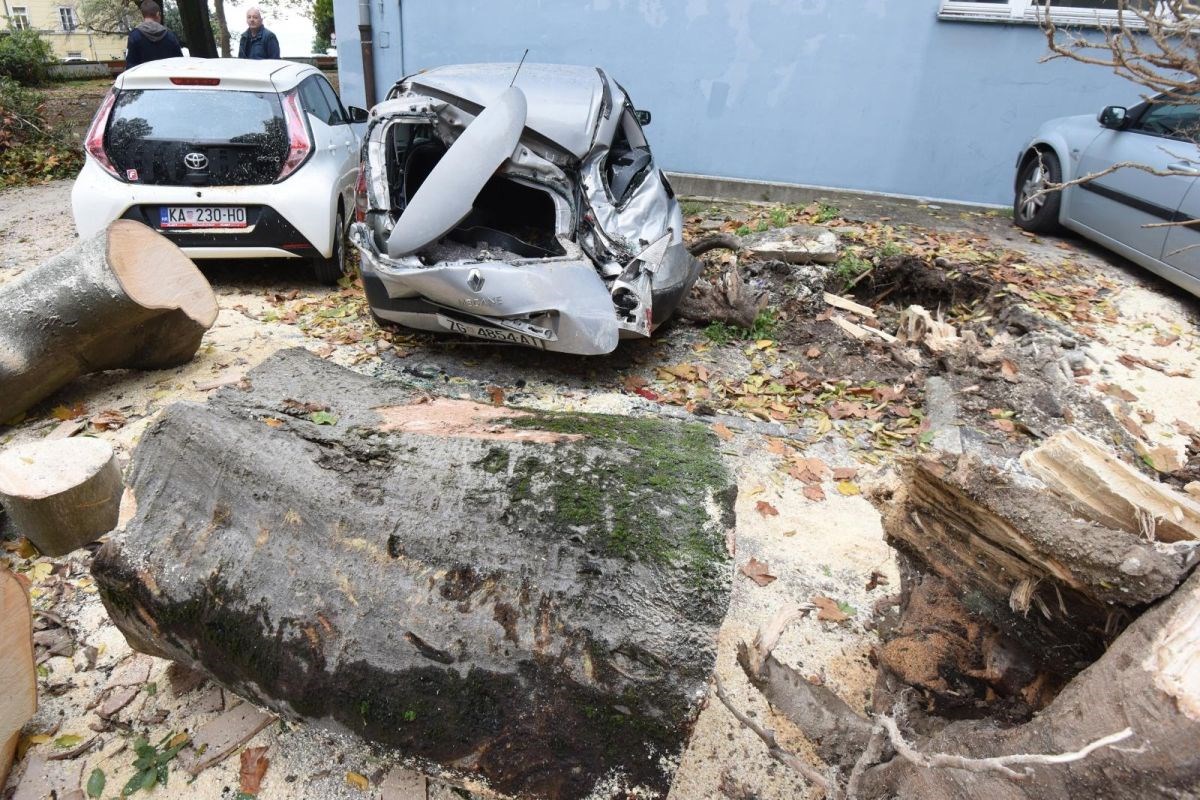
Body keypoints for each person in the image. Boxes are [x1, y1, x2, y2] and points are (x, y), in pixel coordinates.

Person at [124, 0, 183, 69]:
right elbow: (180, 62)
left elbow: (130, 66)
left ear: (143, 15)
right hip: (166, 78)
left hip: (143, 79)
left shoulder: (134, 36)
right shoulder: (170, 35)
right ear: (158, 14)